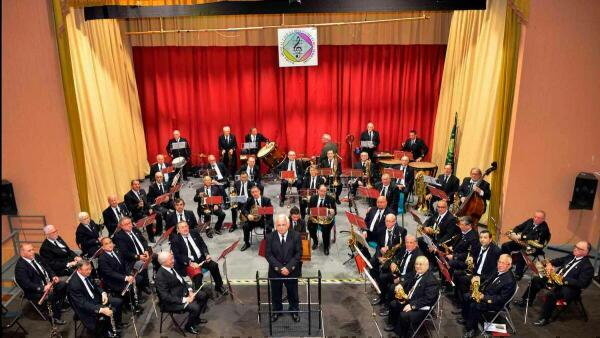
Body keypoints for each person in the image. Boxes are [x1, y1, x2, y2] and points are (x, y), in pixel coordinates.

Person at [514, 242, 594, 327]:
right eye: (575, 246)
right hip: (556, 280)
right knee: (536, 280)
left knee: (552, 295)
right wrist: (549, 264)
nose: (575, 249)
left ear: (586, 252)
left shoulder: (587, 267)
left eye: (579, 248)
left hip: (569, 287)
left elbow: (581, 283)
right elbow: (557, 261)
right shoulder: (572, 256)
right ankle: (526, 301)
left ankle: (544, 318)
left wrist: (562, 279)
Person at [458, 254, 516, 338]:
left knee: (474, 305)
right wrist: (477, 285)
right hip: (487, 294)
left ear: (509, 265)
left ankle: (471, 329)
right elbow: (488, 281)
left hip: (495, 303)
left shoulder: (509, 281)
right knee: (467, 295)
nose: (499, 264)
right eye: (499, 262)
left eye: (503, 263)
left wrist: (483, 297)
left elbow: (501, 299)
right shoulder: (498, 270)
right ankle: (466, 318)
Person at [155, 251, 209, 335]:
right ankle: (188, 326)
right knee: (195, 307)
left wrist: (190, 291)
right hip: (172, 301)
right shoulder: (160, 277)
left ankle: (195, 319)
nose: (173, 260)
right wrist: (185, 299)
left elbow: (182, 282)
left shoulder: (171, 267)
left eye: (172, 258)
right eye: (171, 259)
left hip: (183, 292)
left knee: (203, 295)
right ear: (164, 262)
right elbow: (165, 297)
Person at [68, 260, 125, 337]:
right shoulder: (74, 284)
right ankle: (108, 332)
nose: (89, 271)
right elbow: (82, 303)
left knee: (118, 302)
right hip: (88, 305)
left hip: (96, 299)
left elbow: (96, 285)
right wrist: (101, 309)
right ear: (79, 270)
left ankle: (116, 324)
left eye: (90, 269)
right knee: (111, 311)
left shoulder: (86, 274)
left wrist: (103, 293)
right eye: (87, 270)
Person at [385, 256, 439, 337]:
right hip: (411, 298)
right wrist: (400, 285)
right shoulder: (416, 272)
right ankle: (393, 324)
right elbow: (407, 278)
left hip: (422, 307)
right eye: (416, 264)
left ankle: (403, 335)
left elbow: (428, 299)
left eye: (421, 264)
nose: (418, 266)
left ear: (427, 266)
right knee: (393, 304)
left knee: (404, 315)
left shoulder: (431, 281)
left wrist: (412, 306)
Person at [15, 243, 67, 325]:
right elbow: (26, 284)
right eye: (29, 251)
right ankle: (54, 317)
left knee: (63, 285)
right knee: (51, 296)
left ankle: (58, 306)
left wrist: (53, 276)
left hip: (48, 282)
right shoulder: (20, 267)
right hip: (35, 290)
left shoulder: (36, 256)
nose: (32, 252)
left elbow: (47, 267)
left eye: (32, 249)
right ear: (22, 253)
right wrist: (43, 288)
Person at [171, 221, 228, 295]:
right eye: (182, 227)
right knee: (198, 275)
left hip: (201, 258)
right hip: (188, 263)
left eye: (186, 226)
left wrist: (206, 254)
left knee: (214, 265)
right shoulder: (175, 240)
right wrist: (190, 262)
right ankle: (199, 293)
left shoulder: (194, 232)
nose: (185, 229)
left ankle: (219, 286)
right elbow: (178, 256)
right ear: (178, 230)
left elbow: (202, 245)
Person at [266, 214, 303, 323]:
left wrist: (288, 268)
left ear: (288, 225)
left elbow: (298, 254)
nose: (281, 227)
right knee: (276, 293)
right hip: (275, 271)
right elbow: (268, 255)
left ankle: (294, 311)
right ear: (275, 226)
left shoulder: (296, 236)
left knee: (293, 293)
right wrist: (280, 268)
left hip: (291, 271)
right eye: (278, 225)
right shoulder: (270, 237)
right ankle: (277, 311)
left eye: (283, 224)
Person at [452, 230, 500, 305]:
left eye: (485, 237)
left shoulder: (495, 251)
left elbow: (497, 269)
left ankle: (465, 303)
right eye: (481, 237)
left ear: (490, 239)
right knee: (456, 274)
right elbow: (473, 256)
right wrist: (471, 259)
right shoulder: (478, 246)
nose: (482, 239)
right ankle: (459, 300)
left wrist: (481, 277)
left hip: (485, 276)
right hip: (475, 271)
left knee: (463, 280)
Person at [378, 235, 423, 315]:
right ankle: (382, 298)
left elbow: (414, 274)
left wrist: (400, 279)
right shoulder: (404, 248)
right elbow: (396, 257)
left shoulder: (419, 256)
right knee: (382, 277)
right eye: (407, 242)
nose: (408, 244)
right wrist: (393, 263)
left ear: (415, 244)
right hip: (398, 273)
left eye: (411, 243)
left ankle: (388, 308)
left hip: (408, 280)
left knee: (393, 287)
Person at [97, 237, 143, 314]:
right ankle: (130, 305)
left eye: (110, 242)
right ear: (102, 247)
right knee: (128, 287)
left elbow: (125, 264)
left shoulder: (117, 251)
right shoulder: (102, 259)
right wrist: (125, 278)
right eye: (106, 244)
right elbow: (110, 273)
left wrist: (130, 274)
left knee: (139, 278)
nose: (110, 245)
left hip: (124, 275)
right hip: (113, 281)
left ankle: (136, 299)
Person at [501, 210, 551, 280]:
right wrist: (513, 233)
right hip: (522, 243)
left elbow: (534, 238)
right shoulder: (530, 221)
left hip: (534, 247)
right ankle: (507, 263)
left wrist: (520, 237)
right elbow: (519, 227)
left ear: (543, 219)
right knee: (505, 246)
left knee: (522, 253)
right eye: (535, 216)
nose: (536, 219)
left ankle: (518, 274)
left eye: (539, 218)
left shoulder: (544, 228)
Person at [370, 214, 406, 303]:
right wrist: (379, 256)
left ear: (395, 221)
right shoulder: (381, 230)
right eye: (387, 221)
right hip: (382, 254)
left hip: (393, 256)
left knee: (385, 270)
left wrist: (389, 248)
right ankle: (378, 284)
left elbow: (401, 246)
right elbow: (378, 245)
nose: (388, 223)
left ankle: (383, 292)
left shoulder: (401, 231)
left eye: (391, 221)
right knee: (372, 264)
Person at [112, 217, 152, 295]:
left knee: (158, 258)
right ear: (121, 226)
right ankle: (143, 286)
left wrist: (146, 250)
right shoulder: (119, 236)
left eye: (130, 223)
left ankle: (150, 282)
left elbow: (144, 240)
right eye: (126, 224)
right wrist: (138, 257)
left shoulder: (135, 229)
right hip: (132, 259)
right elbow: (125, 252)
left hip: (143, 253)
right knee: (141, 265)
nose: (130, 225)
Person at [417, 200, 458, 265]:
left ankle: (434, 263)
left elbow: (448, 236)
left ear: (446, 207)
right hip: (433, 237)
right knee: (420, 240)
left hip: (442, 242)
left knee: (432, 247)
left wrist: (436, 245)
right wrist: (425, 227)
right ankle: (427, 258)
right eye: (438, 207)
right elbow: (428, 221)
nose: (440, 209)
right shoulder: (437, 213)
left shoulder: (451, 219)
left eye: (442, 207)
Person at [240, 185, 274, 251]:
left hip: (263, 219)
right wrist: (248, 215)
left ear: (259, 192)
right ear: (251, 193)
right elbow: (243, 208)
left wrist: (264, 211)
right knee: (245, 226)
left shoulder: (266, 200)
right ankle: (247, 243)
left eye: (256, 191)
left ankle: (268, 244)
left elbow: (270, 211)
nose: (254, 193)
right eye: (252, 192)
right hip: (253, 220)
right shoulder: (249, 200)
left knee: (268, 227)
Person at [307, 184, 337, 255]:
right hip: (316, 218)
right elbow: (309, 210)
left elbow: (335, 212)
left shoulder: (331, 199)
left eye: (324, 191)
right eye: (321, 191)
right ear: (318, 191)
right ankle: (315, 240)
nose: (323, 193)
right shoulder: (313, 198)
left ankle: (326, 247)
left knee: (326, 229)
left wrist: (332, 212)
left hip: (327, 219)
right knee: (310, 226)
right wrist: (311, 213)